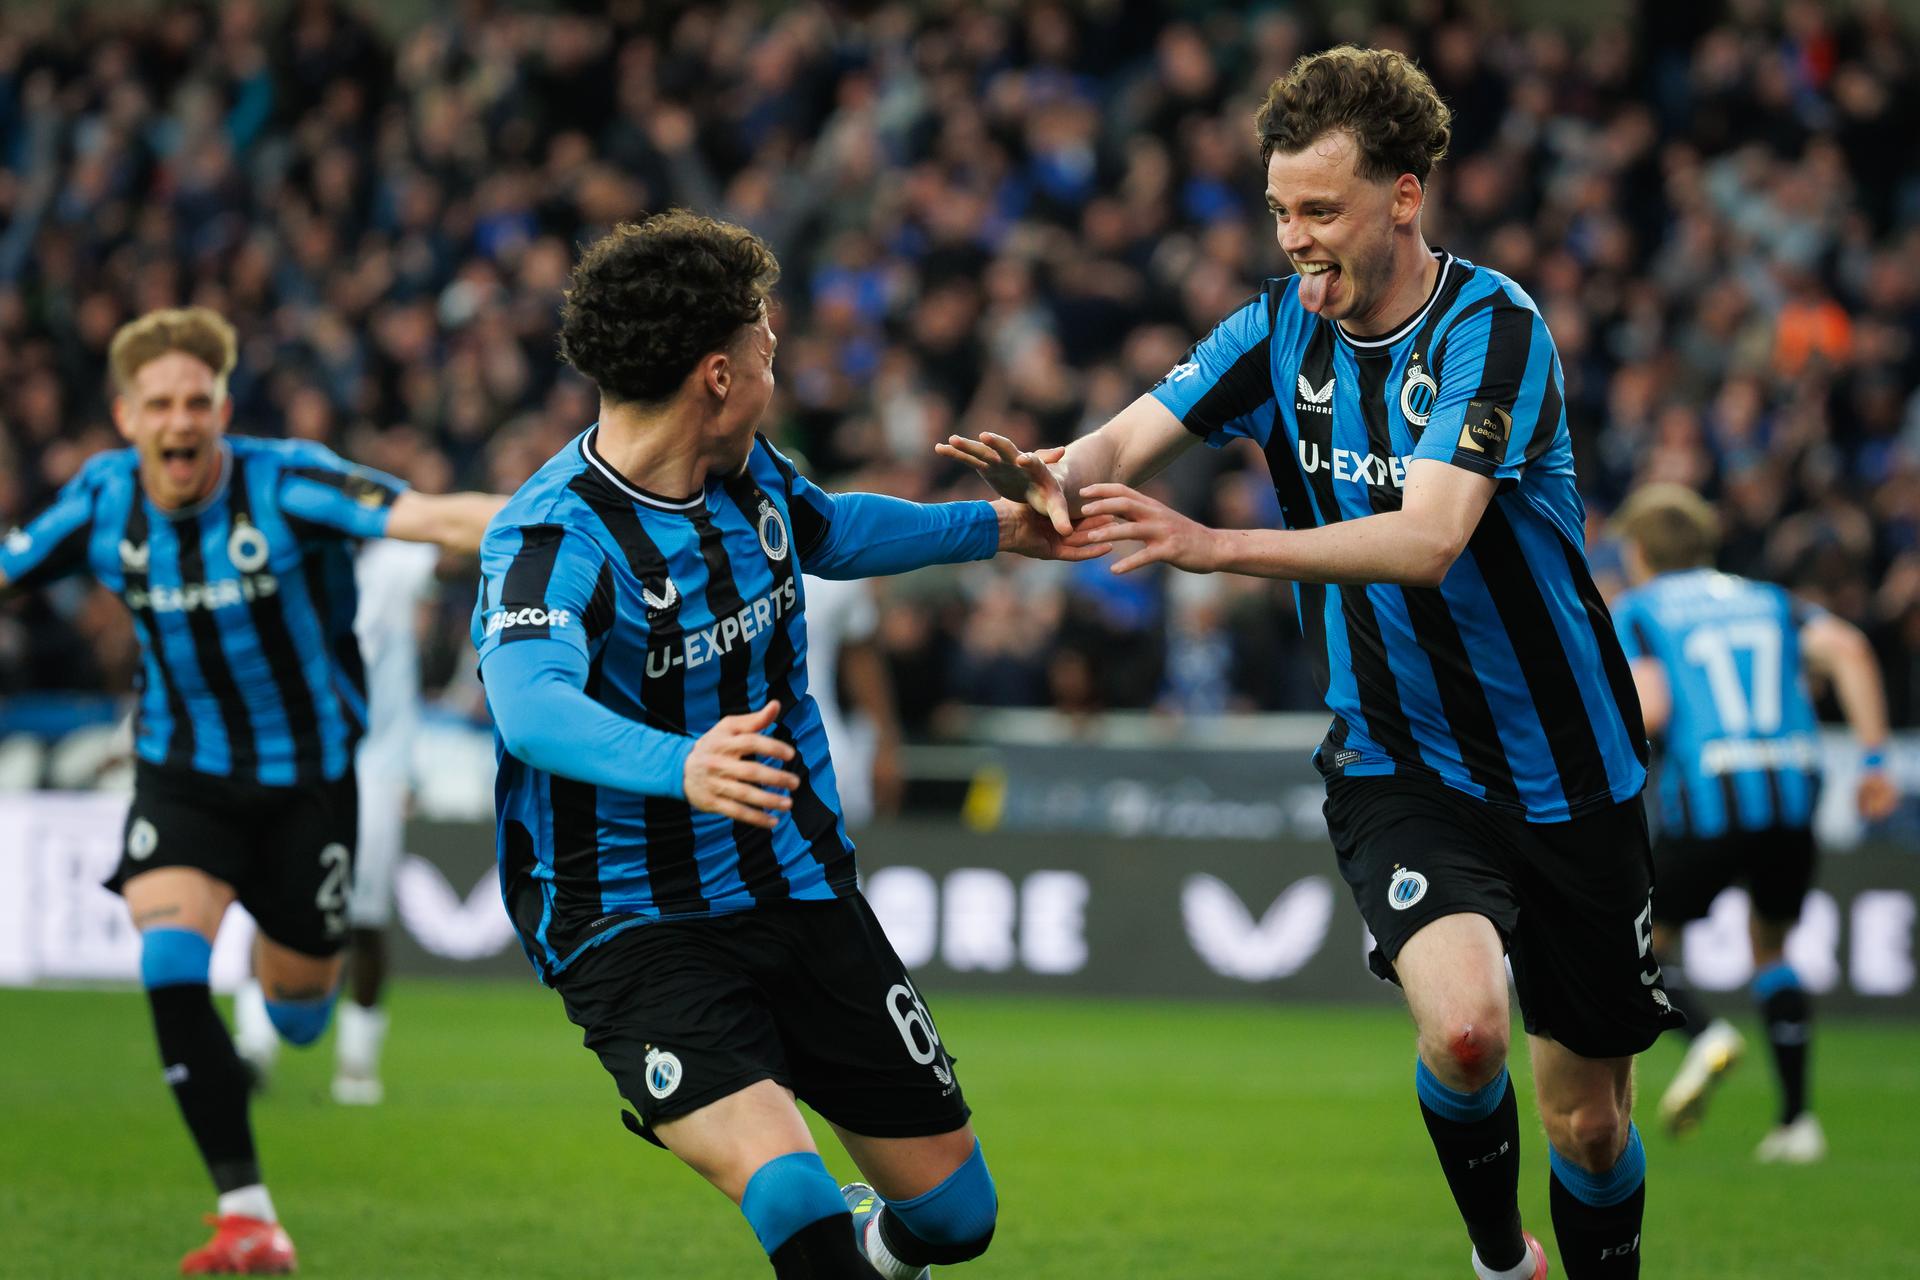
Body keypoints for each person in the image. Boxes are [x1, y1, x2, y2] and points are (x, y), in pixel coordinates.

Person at [943, 46, 1673, 1280]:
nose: (1295, 238)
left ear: (1404, 194)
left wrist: (1210, 544)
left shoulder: (1495, 329)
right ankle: (1505, 1263)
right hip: (1400, 756)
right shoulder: (1271, 333)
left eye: (1321, 210)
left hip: (1570, 767)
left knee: (1587, 1123)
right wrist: (1053, 478)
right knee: (1461, 1033)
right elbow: (1123, 436)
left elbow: (1432, 537)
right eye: (1281, 209)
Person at [473, 210, 1100, 1280]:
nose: (778, 361)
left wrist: (1000, 530)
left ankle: (882, 1238)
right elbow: (529, 702)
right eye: (767, 346)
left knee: (956, 1219)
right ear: (717, 373)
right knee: (794, 1191)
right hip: (630, 916)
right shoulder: (553, 533)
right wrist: (682, 763)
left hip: (797, 884)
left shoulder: (750, 470)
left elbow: (830, 531)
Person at [0, 307, 504, 1274]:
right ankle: (246, 1212)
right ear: (126, 415)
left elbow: (436, 518)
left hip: (307, 787)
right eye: (160, 405)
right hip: (182, 776)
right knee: (168, 962)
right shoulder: (102, 500)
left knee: (302, 1005)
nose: (181, 422)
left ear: (223, 410)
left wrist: (590, 519)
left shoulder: (285, 481)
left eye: (198, 402)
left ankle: (292, 1012)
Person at [1610, 483, 1898, 1161]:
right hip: (1792, 796)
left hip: (1709, 799)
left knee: (1640, 947)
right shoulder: (1769, 600)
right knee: (1771, 949)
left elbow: (1648, 710)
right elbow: (1852, 650)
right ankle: (1797, 1123)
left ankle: (1705, 1034)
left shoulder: (1641, 610)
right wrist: (1876, 760)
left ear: (1642, 551)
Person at [232, 536, 441, 1105]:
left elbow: (451, 551)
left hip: (375, 768)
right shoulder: (280, 571)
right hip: (298, 760)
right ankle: (251, 1047)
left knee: (364, 919)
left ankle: (356, 1064)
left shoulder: (396, 565)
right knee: (273, 903)